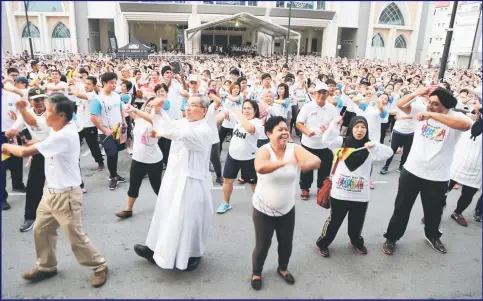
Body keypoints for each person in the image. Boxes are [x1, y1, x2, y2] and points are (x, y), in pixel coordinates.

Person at [1, 93, 108, 288]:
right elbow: (35, 131)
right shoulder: (57, 129)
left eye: (48, 110)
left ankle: (99, 266)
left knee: (75, 237)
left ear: (61, 115)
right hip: (51, 193)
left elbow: (24, 153)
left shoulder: (64, 135)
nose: (45, 114)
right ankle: (46, 266)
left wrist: (5, 145)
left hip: (66, 195)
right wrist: (25, 122)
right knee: (41, 230)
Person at [382, 87, 472, 255]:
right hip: (412, 171)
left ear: (445, 105)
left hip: (438, 176)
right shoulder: (421, 109)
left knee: (434, 211)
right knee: (401, 207)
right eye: (429, 103)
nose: (430, 106)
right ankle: (392, 237)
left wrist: (430, 115)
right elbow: (401, 104)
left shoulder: (454, 117)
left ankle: (432, 236)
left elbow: (466, 125)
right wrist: (417, 93)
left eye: (435, 104)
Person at [133, 94, 216, 271]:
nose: (188, 107)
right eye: (188, 104)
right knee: (164, 213)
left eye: (193, 105)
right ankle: (154, 249)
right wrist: (157, 109)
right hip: (174, 176)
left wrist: (162, 118)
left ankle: (192, 254)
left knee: (190, 220)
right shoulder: (182, 123)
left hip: (192, 180)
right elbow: (166, 126)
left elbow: (175, 132)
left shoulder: (205, 130)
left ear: (204, 110)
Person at [251, 116, 321, 290]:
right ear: (268, 134)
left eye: (286, 129)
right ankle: (257, 272)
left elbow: (316, 160)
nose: (284, 132)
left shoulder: (294, 148)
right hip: (263, 209)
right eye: (279, 130)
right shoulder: (264, 150)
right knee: (263, 245)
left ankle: (282, 268)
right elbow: (260, 167)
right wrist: (283, 163)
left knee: (286, 243)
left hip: (287, 209)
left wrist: (306, 164)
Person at [315, 116, 393, 257]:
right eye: (356, 127)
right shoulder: (342, 142)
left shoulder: (370, 147)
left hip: (360, 195)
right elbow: (326, 139)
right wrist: (334, 125)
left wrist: (375, 146)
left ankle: (356, 241)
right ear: (351, 128)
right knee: (334, 222)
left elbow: (389, 153)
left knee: (356, 223)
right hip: (339, 193)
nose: (359, 130)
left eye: (363, 127)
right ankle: (323, 243)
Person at [5, 88, 50, 232]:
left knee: (63, 184)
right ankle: (30, 217)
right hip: (38, 152)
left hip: (56, 151)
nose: (39, 102)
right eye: (36, 99)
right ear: (30, 101)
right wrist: (10, 132)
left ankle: (66, 212)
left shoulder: (52, 112)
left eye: (42, 98)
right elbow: (11, 130)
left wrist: (32, 143)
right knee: (34, 185)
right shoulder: (26, 114)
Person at [115, 97, 163, 218]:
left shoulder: (157, 120)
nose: (148, 107)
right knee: (134, 185)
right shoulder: (139, 119)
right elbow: (125, 108)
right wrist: (125, 106)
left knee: (157, 187)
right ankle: (128, 209)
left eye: (152, 106)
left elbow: (152, 120)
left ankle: (168, 207)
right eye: (148, 105)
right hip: (138, 159)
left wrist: (135, 110)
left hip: (153, 160)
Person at [217, 100, 263, 214]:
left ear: (255, 110)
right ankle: (226, 203)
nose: (246, 111)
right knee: (227, 180)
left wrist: (239, 114)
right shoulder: (238, 118)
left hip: (249, 159)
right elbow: (225, 112)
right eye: (244, 108)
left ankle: (261, 204)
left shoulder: (257, 122)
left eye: (249, 108)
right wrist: (225, 113)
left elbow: (249, 129)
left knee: (253, 184)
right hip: (232, 156)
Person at [296, 83, 338, 200]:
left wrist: (329, 130)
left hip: (325, 145)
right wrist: (307, 131)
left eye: (324, 92)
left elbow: (336, 125)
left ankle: (321, 188)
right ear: (314, 94)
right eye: (319, 92)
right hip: (308, 144)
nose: (321, 95)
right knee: (306, 168)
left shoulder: (332, 108)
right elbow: (299, 123)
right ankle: (305, 188)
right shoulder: (307, 107)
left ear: (327, 94)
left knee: (324, 169)